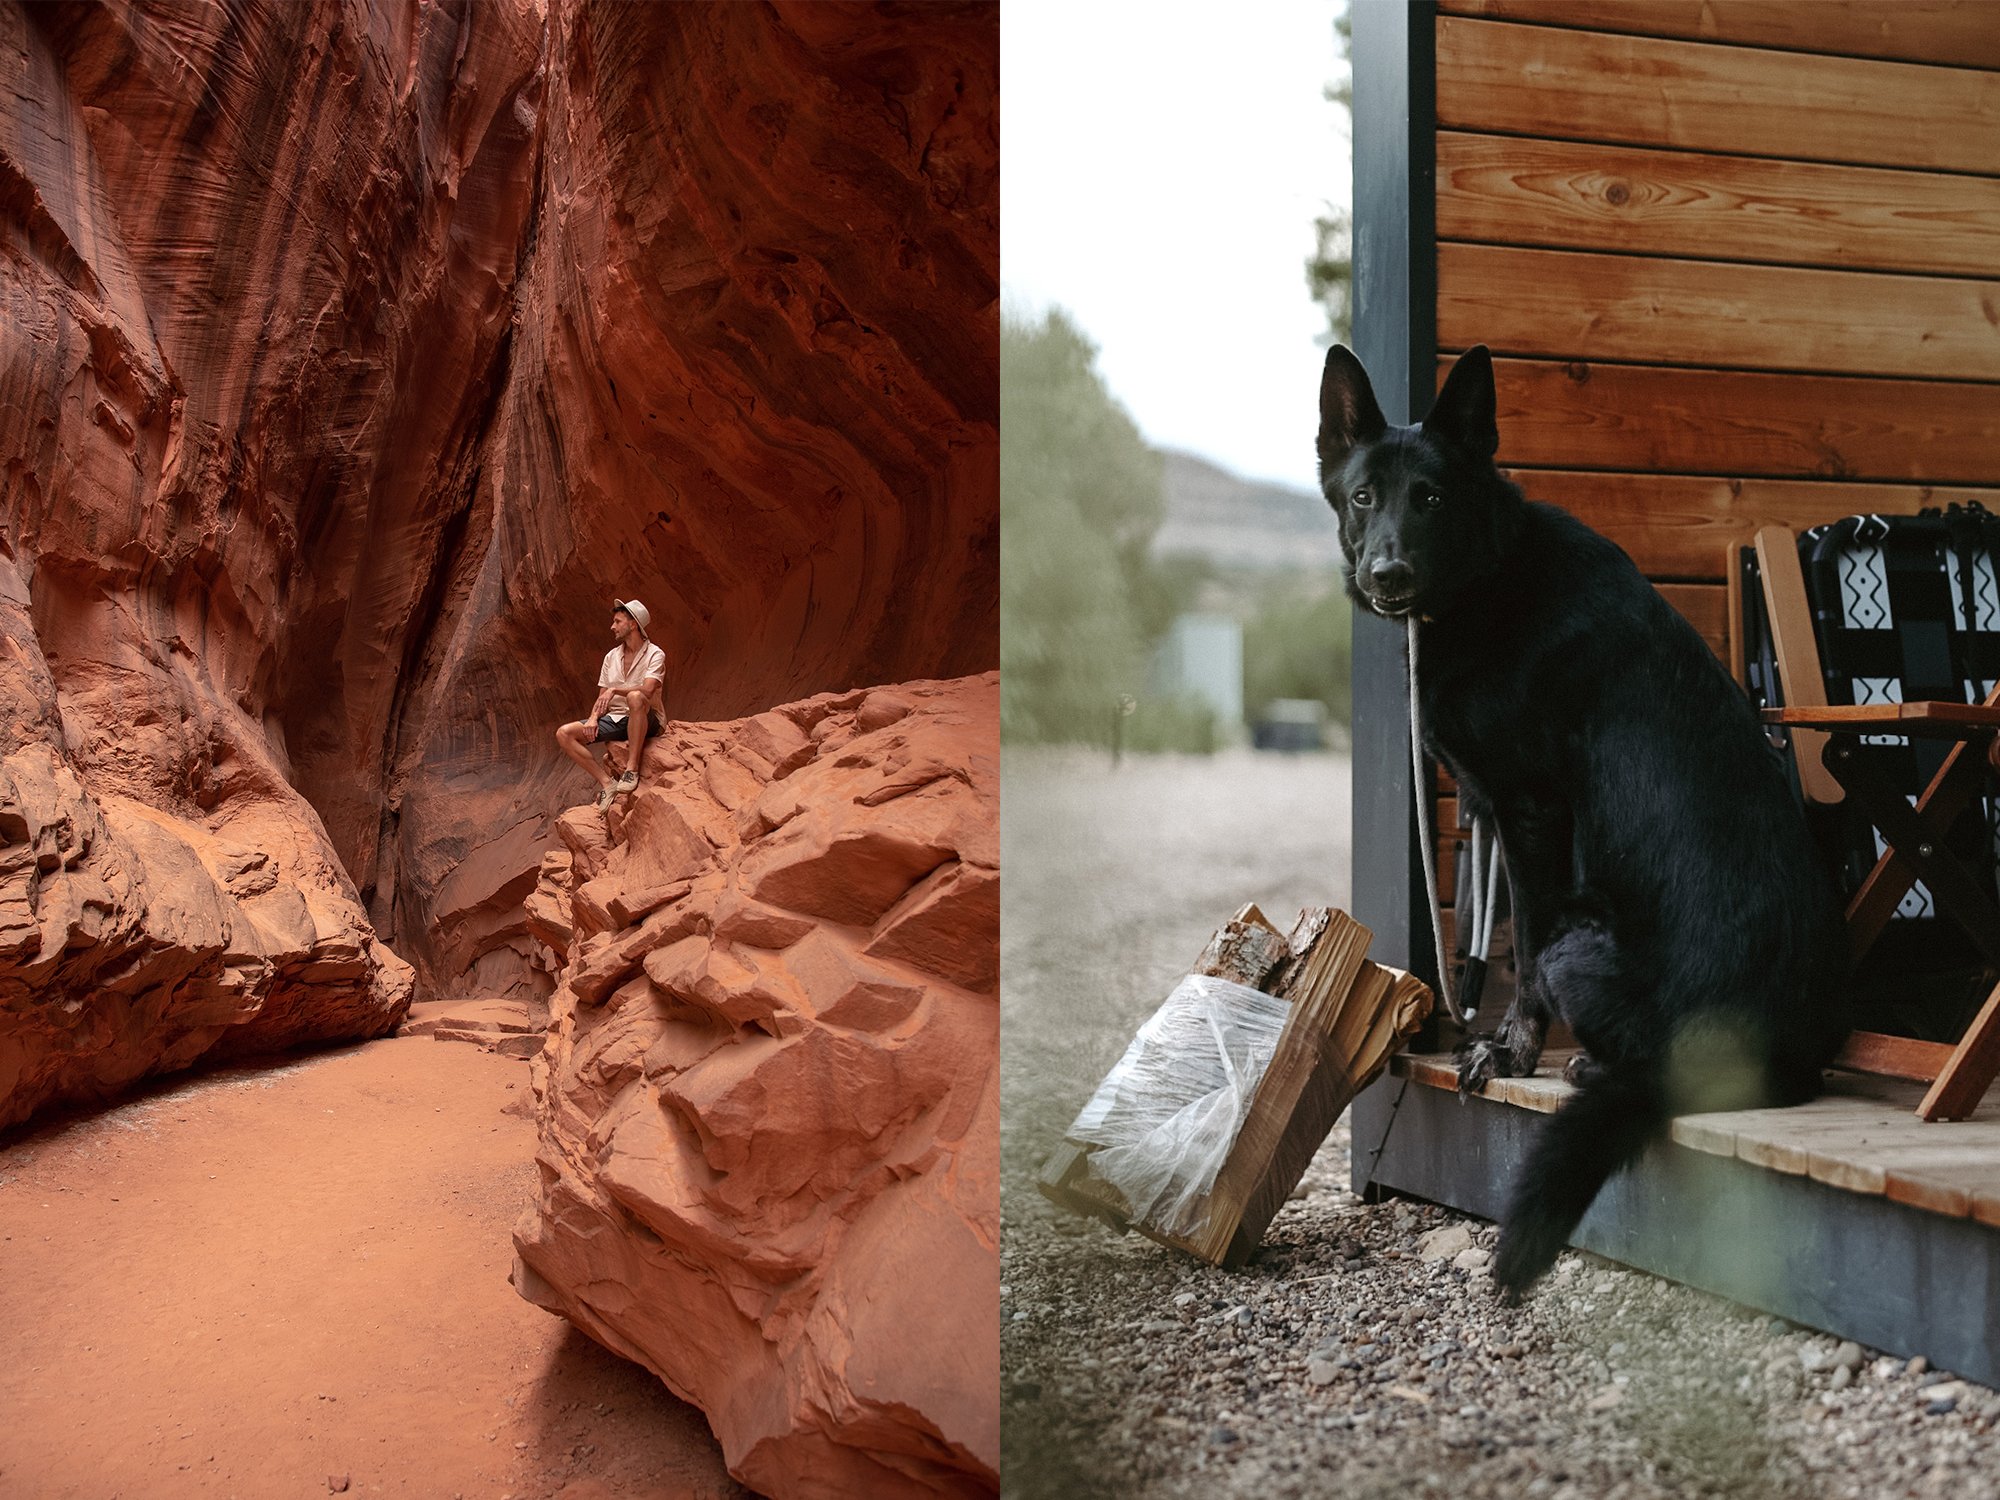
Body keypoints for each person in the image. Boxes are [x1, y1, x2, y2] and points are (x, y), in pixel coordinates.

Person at [555, 599, 667, 811]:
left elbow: (648, 690)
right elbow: (602, 698)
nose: (612, 626)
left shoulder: (655, 654)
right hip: (617, 719)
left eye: (617, 621)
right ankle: (608, 783)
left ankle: (631, 770)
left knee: (635, 697)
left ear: (633, 624)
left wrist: (615, 690)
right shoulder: (611, 657)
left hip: (648, 717)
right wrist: (593, 718)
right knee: (564, 734)